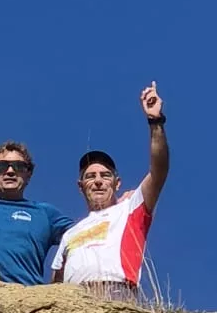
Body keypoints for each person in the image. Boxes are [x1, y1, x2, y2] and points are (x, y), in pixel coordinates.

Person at [51, 84, 170, 300]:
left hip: (115, 293)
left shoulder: (130, 209)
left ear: (117, 183)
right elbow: (54, 282)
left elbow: (159, 170)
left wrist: (155, 122)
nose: (97, 181)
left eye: (105, 176)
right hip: (72, 301)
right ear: (80, 186)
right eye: (90, 176)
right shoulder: (70, 233)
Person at [0, 142, 72, 285]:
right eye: (2, 166)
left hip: (27, 297)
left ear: (29, 174)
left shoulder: (45, 213)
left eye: (19, 166)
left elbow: (82, 235)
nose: (10, 171)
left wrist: (59, 276)